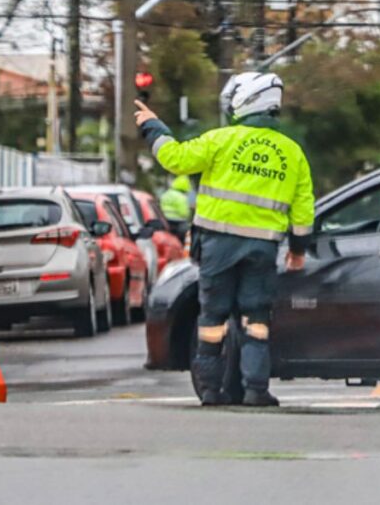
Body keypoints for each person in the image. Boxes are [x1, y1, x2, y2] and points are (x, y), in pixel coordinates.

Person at [135, 71, 315, 407]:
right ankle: (256, 390)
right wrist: (298, 250)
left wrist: (153, 127)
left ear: (245, 101)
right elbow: (303, 211)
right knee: (256, 320)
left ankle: (211, 390)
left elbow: (175, 159)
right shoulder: (292, 153)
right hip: (263, 248)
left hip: (217, 245)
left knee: (212, 319)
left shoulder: (221, 139)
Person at [160, 175, 193, 242]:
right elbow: (184, 213)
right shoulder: (181, 197)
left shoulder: (166, 194)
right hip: (179, 223)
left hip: (165, 222)